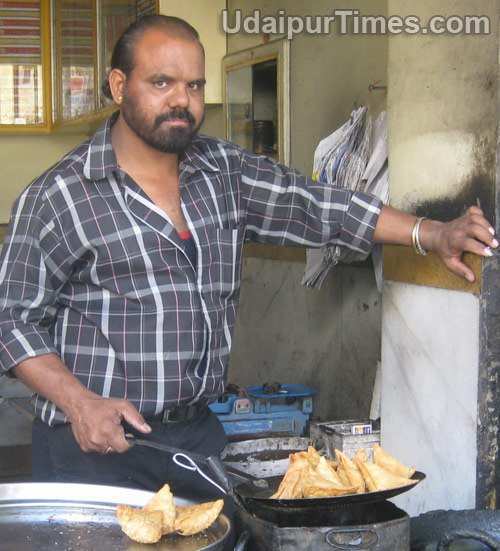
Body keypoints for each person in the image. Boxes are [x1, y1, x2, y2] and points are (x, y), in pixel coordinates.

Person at [0, 15, 496, 498]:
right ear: (117, 85)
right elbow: (13, 319)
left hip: (194, 439)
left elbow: (316, 207)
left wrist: (430, 232)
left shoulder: (223, 172)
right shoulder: (59, 196)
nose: (182, 100)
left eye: (195, 86)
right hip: (94, 447)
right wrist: (79, 403)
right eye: (161, 82)